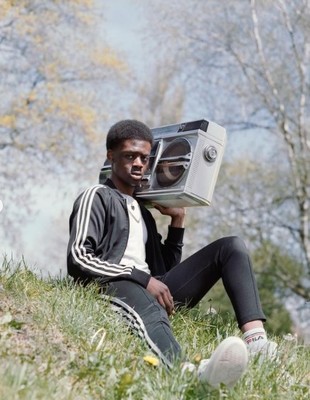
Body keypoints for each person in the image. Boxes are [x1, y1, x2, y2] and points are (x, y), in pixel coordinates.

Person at [67, 119, 276, 389]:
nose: (139, 163)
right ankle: (188, 372)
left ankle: (257, 342)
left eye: (144, 157)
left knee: (231, 247)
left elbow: (164, 271)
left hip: (149, 286)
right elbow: (78, 257)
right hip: (113, 284)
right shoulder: (95, 196)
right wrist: (141, 278)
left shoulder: (144, 214)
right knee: (148, 299)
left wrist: (177, 222)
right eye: (130, 156)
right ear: (111, 155)